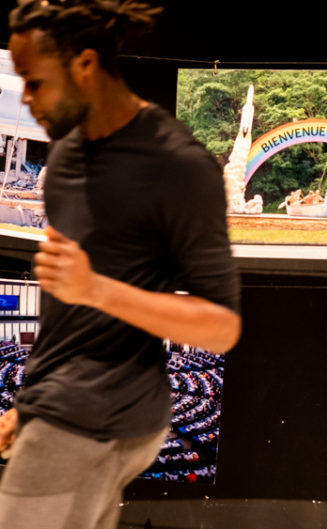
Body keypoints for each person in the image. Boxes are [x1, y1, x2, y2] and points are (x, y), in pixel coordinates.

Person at [0, 1, 241, 528]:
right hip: (63, 407)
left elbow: (221, 328)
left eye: (35, 82)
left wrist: (99, 289)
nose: (26, 99)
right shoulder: (64, 157)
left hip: (106, 413)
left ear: (84, 66)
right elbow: (69, 314)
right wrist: (31, 403)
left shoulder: (179, 167)